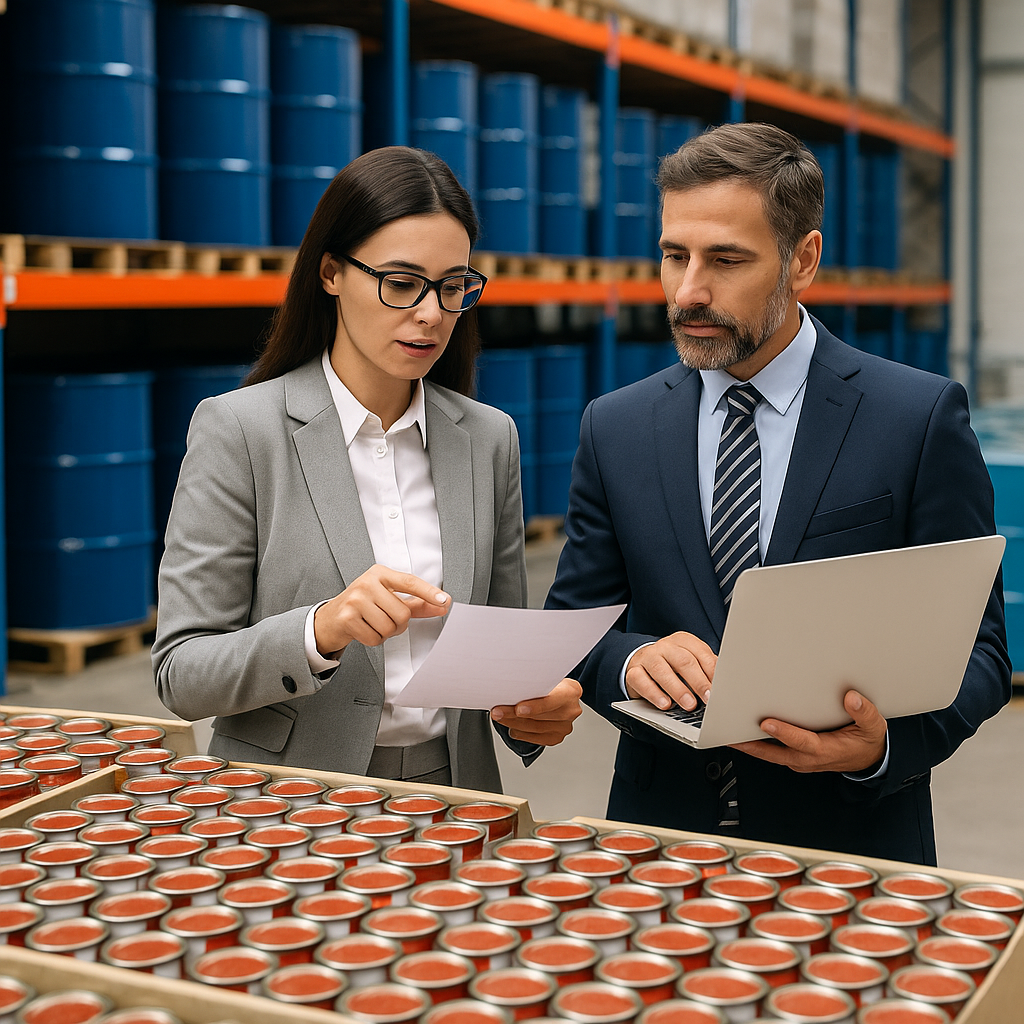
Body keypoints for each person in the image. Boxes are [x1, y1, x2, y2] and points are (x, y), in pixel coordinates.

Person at [545, 122, 1010, 863]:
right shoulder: (616, 427)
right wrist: (630, 662)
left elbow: (980, 652)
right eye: (674, 256)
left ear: (803, 260)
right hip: (661, 845)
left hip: (852, 848)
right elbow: (572, 630)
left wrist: (881, 747)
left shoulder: (915, 419)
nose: (689, 292)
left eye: (726, 260)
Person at [153, 146, 582, 789]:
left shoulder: (489, 439)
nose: (431, 314)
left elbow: (500, 667)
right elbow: (181, 674)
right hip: (287, 801)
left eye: (453, 286)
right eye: (401, 283)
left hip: (455, 796)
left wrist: (532, 713)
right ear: (331, 273)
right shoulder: (241, 431)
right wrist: (318, 630)